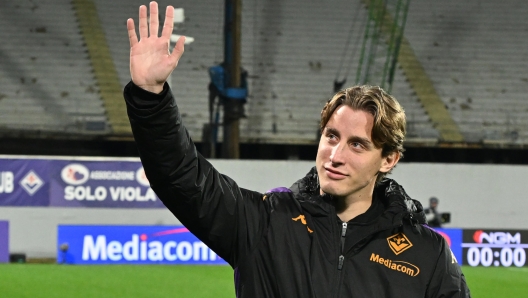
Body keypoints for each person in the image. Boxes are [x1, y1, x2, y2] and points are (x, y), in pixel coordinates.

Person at [123, 2, 471, 297]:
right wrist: (151, 97)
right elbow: (181, 177)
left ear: (389, 159)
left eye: (357, 145)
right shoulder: (264, 223)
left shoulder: (429, 255)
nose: (335, 155)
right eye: (331, 136)